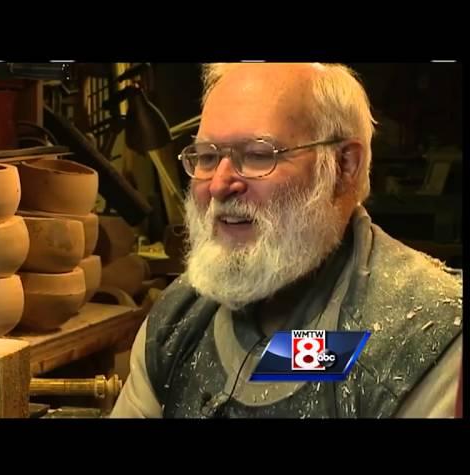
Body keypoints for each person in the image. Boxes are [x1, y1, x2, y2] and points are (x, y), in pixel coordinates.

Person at [110, 62, 462, 418]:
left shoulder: (422, 337)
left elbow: (309, 359)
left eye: (258, 155)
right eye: (208, 156)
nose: (218, 185)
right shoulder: (178, 322)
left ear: (344, 168)